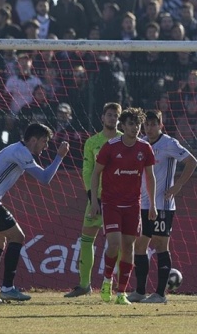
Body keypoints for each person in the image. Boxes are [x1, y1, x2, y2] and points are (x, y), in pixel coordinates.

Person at [0, 123, 69, 303]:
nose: (46, 147)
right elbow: (45, 179)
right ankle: (7, 288)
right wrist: (59, 157)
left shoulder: (17, 149)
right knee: (18, 237)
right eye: (44, 142)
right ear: (33, 140)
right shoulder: (20, 152)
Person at [127, 110, 197, 303]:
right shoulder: (140, 143)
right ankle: (140, 291)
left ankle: (160, 294)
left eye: (153, 124)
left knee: (159, 245)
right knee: (140, 245)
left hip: (163, 205)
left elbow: (192, 161)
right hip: (143, 203)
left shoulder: (169, 143)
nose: (150, 128)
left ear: (161, 125)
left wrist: (178, 185)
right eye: (147, 124)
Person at [89, 108, 156, 305]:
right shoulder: (110, 147)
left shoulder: (144, 149)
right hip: (111, 203)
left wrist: (152, 205)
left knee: (129, 246)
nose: (134, 128)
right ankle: (107, 280)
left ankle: (121, 292)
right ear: (123, 126)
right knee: (114, 243)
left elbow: (150, 177)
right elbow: (95, 174)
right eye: (130, 124)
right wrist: (94, 200)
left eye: (137, 124)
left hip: (132, 205)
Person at [64, 103, 122, 298]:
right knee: (87, 240)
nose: (112, 118)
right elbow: (87, 171)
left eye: (116, 116)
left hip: (117, 200)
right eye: (109, 115)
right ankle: (84, 285)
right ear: (102, 118)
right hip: (96, 200)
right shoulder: (92, 142)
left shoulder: (125, 140)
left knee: (118, 244)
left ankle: (121, 288)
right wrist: (92, 197)